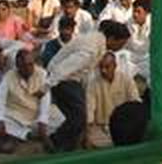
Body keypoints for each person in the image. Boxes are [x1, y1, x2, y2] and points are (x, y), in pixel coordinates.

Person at [44, 21, 133, 152]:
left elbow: (84, 72)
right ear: (112, 39)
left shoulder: (97, 43)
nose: (121, 47)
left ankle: (67, 145)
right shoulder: (91, 49)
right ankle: (55, 142)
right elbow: (65, 68)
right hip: (63, 79)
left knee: (77, 116)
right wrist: (47, 85)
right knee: (80, 116)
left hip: (71, 79)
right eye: (121, 44)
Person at [0, 48, 64, 155]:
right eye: (24, 66)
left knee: (59, 118)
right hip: (16, 113)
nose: (28, 68)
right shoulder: (9, 76)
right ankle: (27, 135)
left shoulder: (42, 74)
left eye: (30, 64)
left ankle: (17, 136)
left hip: (35, 113)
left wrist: (42, 120)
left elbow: (45, 100)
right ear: (17, 66)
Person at [83, 51, 140, 149]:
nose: (103, 71)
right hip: (100, 129)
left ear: (115, 66)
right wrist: (87, 134)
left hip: (123, 126)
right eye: (101, 67)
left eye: (107, 67)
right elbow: (89, 109)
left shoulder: (126, 80)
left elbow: (135, 102)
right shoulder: (93, 84)